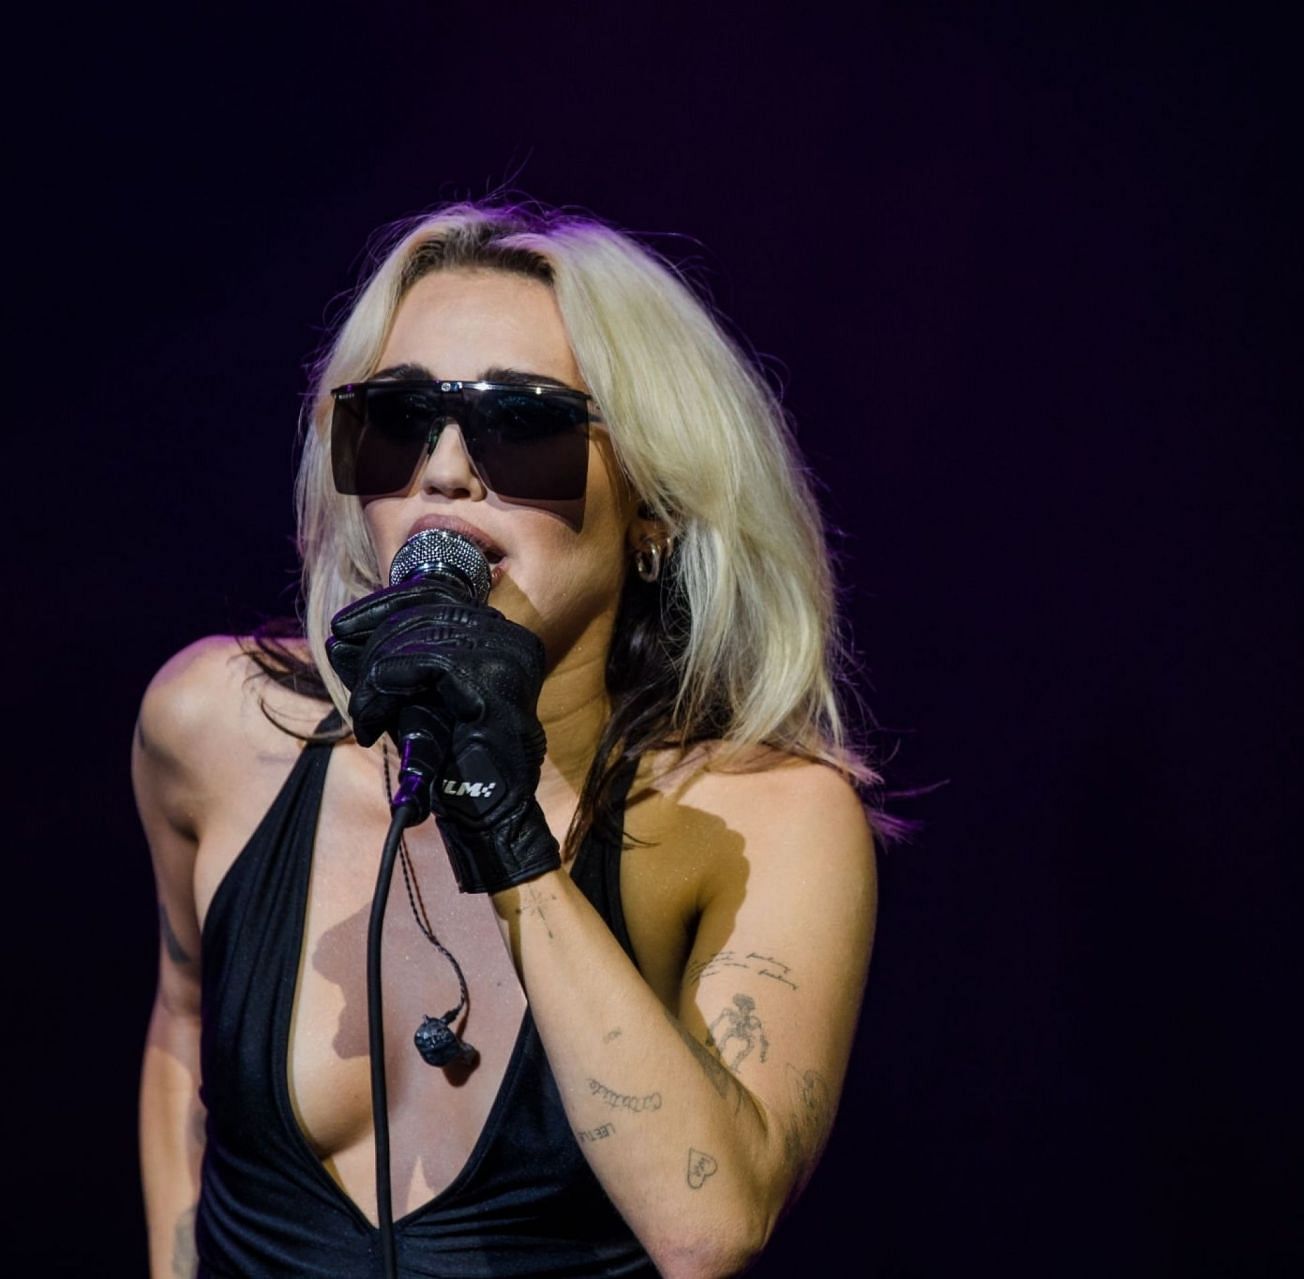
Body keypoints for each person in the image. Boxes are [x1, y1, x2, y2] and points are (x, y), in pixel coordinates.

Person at [134, 200, 884, 1277]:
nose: (442, 471)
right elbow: (180, 1030)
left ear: (657, 504)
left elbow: (706, 1227)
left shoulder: (763, 815)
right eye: (395, 420)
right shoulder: (216, 726)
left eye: (519, 427)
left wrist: (503, 820)